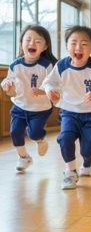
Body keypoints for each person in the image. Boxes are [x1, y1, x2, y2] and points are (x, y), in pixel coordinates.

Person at [42, 26, 91, 189]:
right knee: (65, 138)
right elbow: (48, 82)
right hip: (69, 112)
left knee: (89, 149)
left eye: (84, 44)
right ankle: (70, 172)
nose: (78, 48)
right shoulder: (62, 65)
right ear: (67, 47)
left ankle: (87, 163)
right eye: (73, 43)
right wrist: (50, 90)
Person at [1, 25, 57, 173]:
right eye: (28, 40)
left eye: (38, 41)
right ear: (21, 43)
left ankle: (40, 139)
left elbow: (53, 86)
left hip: (40, 108)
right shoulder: (15, 64)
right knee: (15, 132)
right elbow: (10, 90)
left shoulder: (47, 65)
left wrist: (43, 90)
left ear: (45, 47)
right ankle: (24, 157)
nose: (32, 43)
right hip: (20, 105)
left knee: (34, 132)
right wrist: (7, 86)